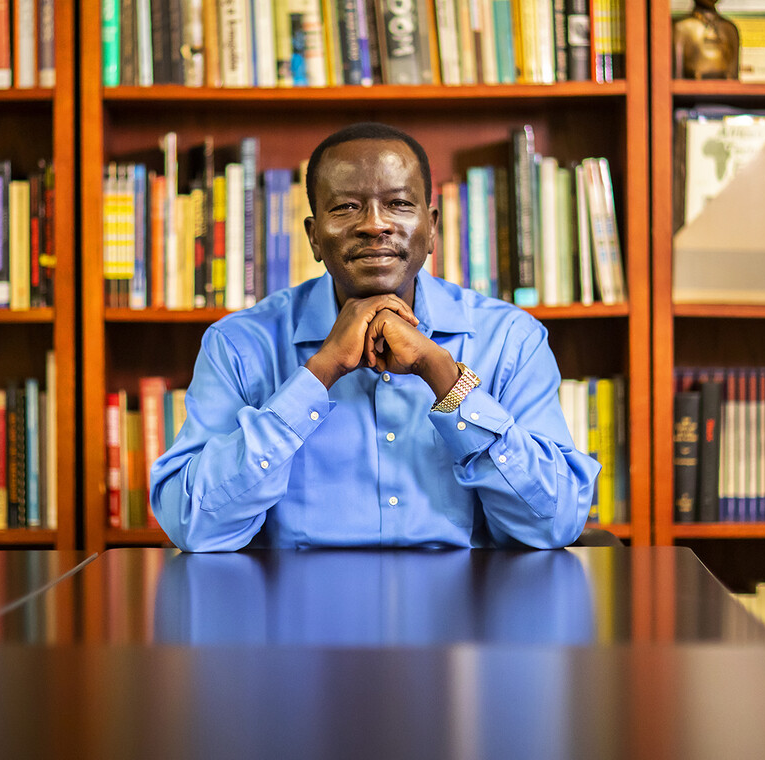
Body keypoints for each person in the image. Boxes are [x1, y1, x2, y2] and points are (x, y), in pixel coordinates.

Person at [149, 122, 599, 551]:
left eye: (400, 204)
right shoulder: (240, 344)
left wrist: (445, 378)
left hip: (462, 615)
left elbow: (554, 521)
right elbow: (193, 524)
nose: (374, 224)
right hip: (297, 616)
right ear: (313, 239)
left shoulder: (510, 340)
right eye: (346, 207)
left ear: (432, 227)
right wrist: (317, 374)